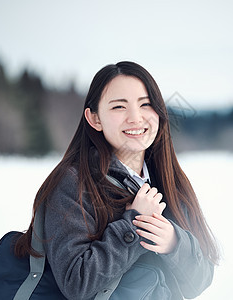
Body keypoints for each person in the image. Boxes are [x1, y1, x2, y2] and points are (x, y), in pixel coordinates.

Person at [15, 61, 219, 299]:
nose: (136, 118)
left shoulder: (166, 182)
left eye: (146, 104)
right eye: (119, 107)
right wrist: (132, 225)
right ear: (94, 119)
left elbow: (200, 281)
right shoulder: (73, 184)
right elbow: (77, 284)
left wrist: (174, 242)